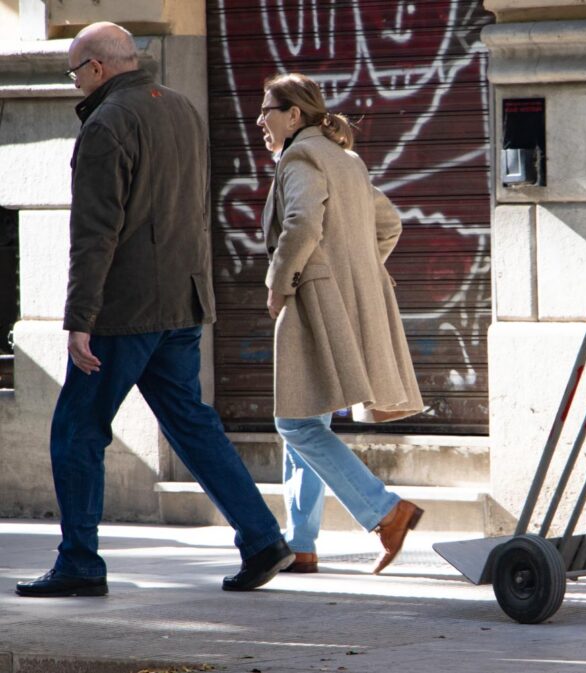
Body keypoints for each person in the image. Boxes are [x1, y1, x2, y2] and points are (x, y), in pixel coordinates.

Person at [16, 22, 294, 598]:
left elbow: (95, 232)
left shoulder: (107, 122)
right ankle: (262, 538)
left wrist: (80, 318)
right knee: (192, 424)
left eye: (74, 73)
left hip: (124, 309)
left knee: (77, 430)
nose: (74, 86)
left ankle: (80, 564)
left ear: (96, 68)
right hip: (182, 301)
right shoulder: (184, 109)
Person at [257, 73, 425, 575]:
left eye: (267, 109)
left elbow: (303, 224)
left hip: (313, 303)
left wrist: (279, 282)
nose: (260, 120)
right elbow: (389, 224)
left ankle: (384, 510)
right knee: (306, 413)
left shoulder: (301, 157)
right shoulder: (345, 158)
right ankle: (301, 542)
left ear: (293, 114)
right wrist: (356, 268)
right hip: (342, 300)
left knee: (295, 423)